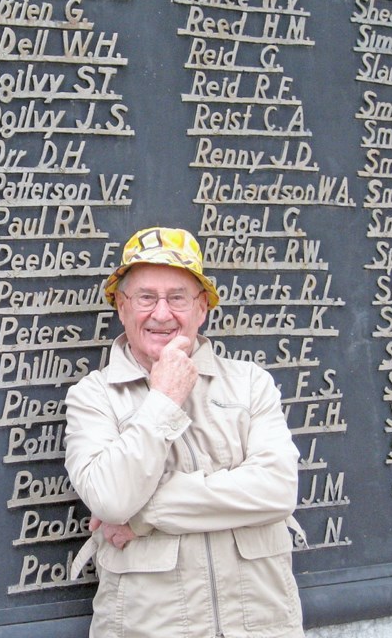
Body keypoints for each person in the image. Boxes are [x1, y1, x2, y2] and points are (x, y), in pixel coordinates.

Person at [65, 226, 306, 638]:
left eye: (177, 297)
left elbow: (278, 490)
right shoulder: (93, 397)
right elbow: (110, 498)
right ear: (121, 308)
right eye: (145, 298)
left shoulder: (251, 383)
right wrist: (164, 400)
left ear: (202, 309)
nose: (162, 314)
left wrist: (144, 516)